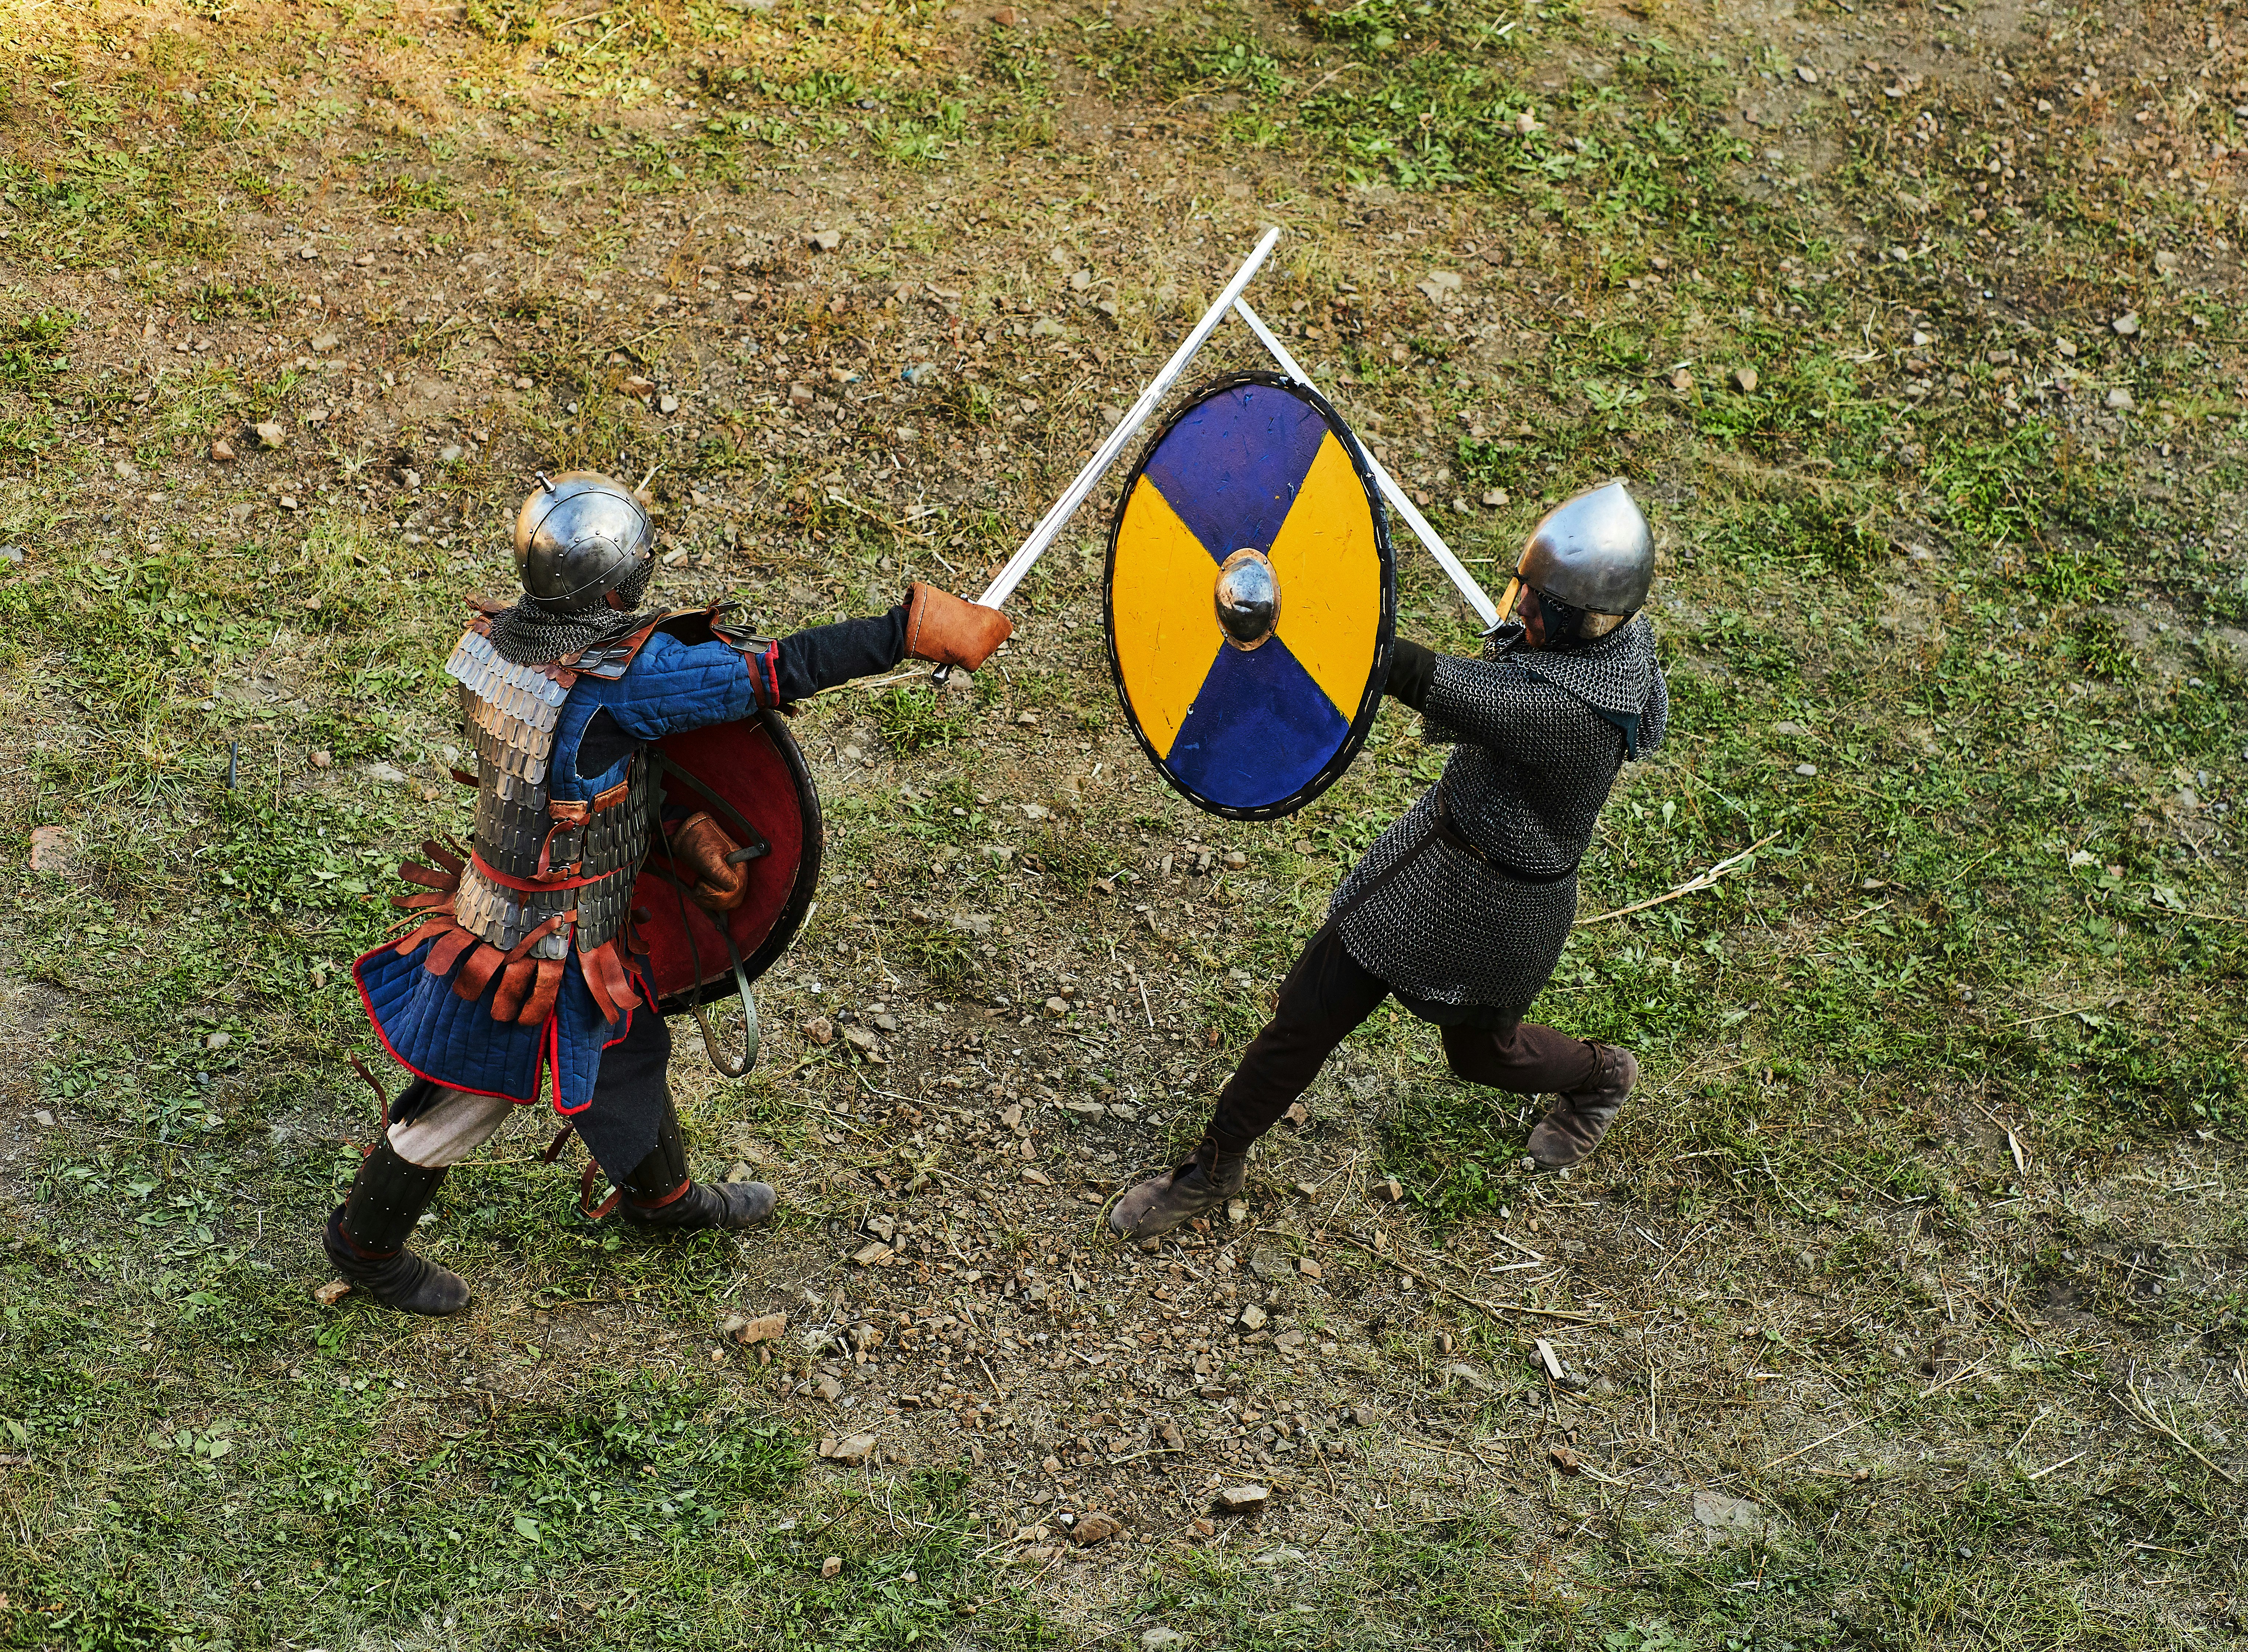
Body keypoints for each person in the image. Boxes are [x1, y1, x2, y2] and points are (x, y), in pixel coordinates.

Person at [330, 471, 1011, 1313]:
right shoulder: (627, 677)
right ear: (615, 586)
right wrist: (906, 631)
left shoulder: (500, 641)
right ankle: (364, 1245)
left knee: (625, 1044)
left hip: (531, 903)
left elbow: (576, 772)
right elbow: (773, 670)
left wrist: (674, 822)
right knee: (470, 1097)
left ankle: (662, 1199)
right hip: (537, 942)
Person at [1109, 481, 1669, 1240]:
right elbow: (1505, 666)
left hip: (1508, 909)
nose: (1522, 615)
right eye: (1526, 596)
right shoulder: (1612, 643)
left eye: (1543, 610)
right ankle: (1215, 1164)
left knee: (1482, 1055)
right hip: (1430, 864)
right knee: (1307, 1011)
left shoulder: (1570, 713)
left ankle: (1603, 1076)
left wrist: (1297, 611)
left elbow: (1411, 673)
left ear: (1586, 622)